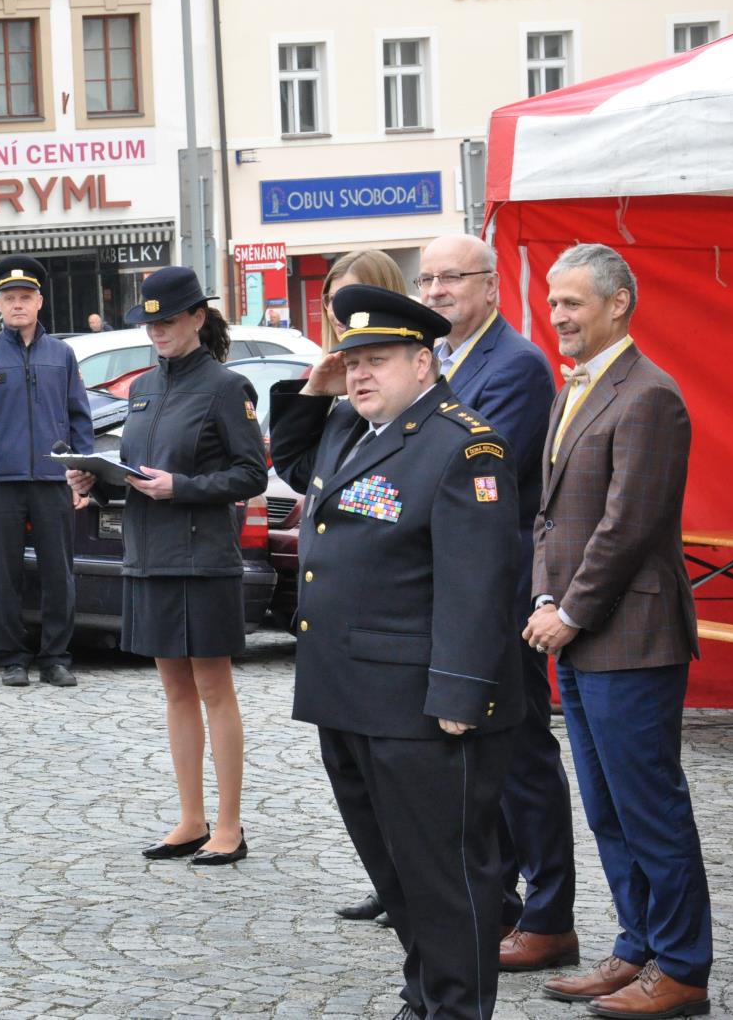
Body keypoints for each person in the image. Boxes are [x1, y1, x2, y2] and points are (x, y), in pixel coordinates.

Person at [269, 284, 522, 1020]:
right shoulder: (352, 426)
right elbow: (292, 459)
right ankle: (425, 996)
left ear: (423, 361)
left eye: (376, 360)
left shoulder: (461, 443)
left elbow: (477, 584)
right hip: (347, 696)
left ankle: (456, 1008)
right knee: (396, 872)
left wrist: (459, 697)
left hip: (421, 709)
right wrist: (316, 387)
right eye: (351, 360)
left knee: (444, 876)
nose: (359, 374)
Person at [525, 244, 711, 1019]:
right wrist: (543, 594)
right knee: (606, 806)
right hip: (580, 634)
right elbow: (550, 517)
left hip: (630, 637)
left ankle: (683, 967)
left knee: (649, 807)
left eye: (572, 302)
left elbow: (626, 527)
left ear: (619, 302)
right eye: (553, 301)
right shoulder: (578, 388)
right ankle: (637, 948)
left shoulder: (650, 396)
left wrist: (566, 613)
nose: (557, 315)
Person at [65, 265, 266, 866]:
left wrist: (182, 486)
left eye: (167, 320)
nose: (156, 331)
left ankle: (229, 825)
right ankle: (190, 817)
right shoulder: (145, 388)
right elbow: (137, 473)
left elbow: (251, 474)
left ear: (197, 319)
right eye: (149, 321)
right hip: (149, 555)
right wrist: (97, 484)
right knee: (174, 690)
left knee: (213, 687)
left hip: (202, 559)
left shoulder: (227, 388)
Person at [418, 233, 579, 972]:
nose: (436, 291)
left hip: (506, 587)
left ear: (490, 287)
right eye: (427, 280)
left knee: (522, 757)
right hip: (459, 586)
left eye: (452, 278)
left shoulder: (514, 365)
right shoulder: (446, 361)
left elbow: (474, 468)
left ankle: (549, 917)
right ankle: (504, 901)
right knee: (483, 758)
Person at [316, 247, 405, 926]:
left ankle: (465, 907)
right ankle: (393, 887)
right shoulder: (350, 402)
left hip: (392, 637)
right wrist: (318, 389)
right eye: (334, 309)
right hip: (339, 642)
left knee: (412, 795)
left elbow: (394, 505)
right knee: (353, 780)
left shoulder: (416, 411)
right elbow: (300, 468)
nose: (346, 331)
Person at [0, 255, 93, 688]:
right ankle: (12, 658)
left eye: (25, 297)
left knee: (59, 574)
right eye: (9, 298)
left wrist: (82, 474)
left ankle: (56, 657)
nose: (18, 304)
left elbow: (79, 418)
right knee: (4, 574)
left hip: (54, 480)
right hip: (0, 482)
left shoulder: (63, 355)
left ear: (39, 302)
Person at [319, 249, 404, 353]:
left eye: (351, 300)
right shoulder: (319, 369)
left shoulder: (414, 366)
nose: (338, 310)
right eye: (332, 299)